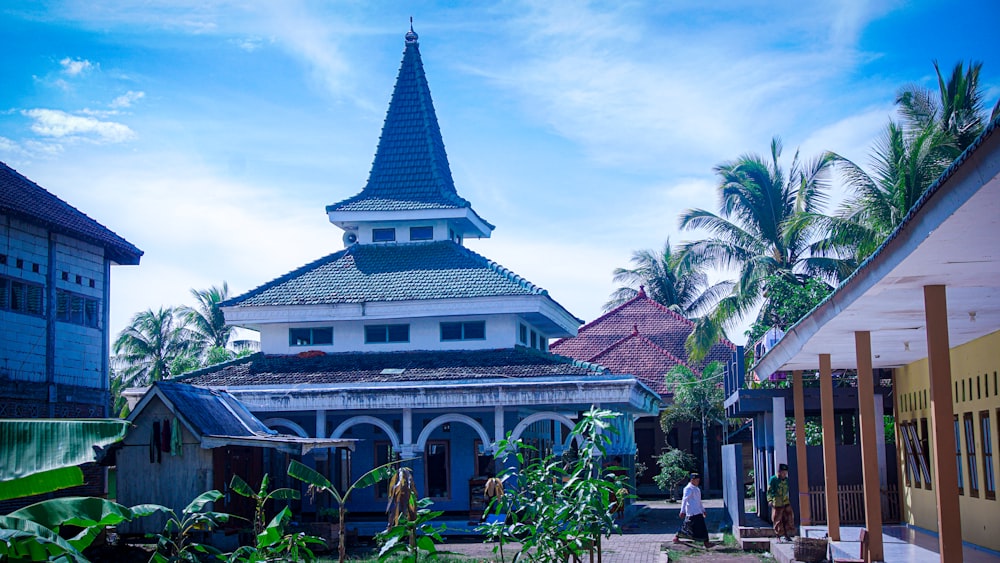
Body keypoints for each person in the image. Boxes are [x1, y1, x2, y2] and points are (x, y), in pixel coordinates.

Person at [673, 472, 710, 548]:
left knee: (697, 528)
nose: (697, 482)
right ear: (692, 480)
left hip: (698, 511)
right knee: (687, 527)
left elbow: (699, 501)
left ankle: (706, 542)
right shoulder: (688, 488)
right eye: (696, 480)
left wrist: (703, 510)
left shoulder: (697, 489)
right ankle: (677, 537)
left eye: (698, 480)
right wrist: (682, 511)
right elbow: (684, 500)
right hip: (692, 512)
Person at [767, 463, 795, 541]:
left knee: (789, 517)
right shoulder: (773, 479)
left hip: (785, 501)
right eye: (783, 473)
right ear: (779, 472)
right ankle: (778, 535)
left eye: (785, 473)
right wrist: (770, 500)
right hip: (777, 502)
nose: (784, 474)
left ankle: (787, 534)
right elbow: (769, 491)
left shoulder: (786, 480)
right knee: (777, 519)